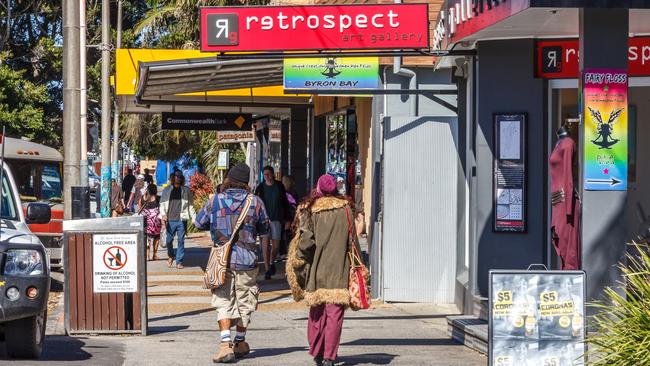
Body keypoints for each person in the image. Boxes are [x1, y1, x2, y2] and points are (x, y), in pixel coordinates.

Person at [194, 163, 269, 364]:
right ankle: (240, 341)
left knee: (223, 300)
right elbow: (265, 229)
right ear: (246, 183)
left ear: (228, 179)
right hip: (247, 260)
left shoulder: (216, 201)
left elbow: (198, 223)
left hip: (222, 260)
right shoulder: (256, 202)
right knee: (246, 299)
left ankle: (225, 345)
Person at [286, 174, 359, 366]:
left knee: (316, 314)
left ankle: (317, 351)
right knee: (335, 315)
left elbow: (306, 243)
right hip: (339, 271)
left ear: (318, 189)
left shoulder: (310, 211)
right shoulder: (346, 210)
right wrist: (359, 266)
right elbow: (353, 242)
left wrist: (298, 261)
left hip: (316, 272)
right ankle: (329, 357)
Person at [254, 166, 291, 280]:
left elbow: (285, 203)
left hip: (277, 219)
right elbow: (256, 205)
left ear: (273, 174)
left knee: (275, 246)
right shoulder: (260, 188)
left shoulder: (279, 186)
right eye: (265, 175)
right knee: (265, 246)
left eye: (269, 174)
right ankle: (267, 269)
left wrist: (288, 219)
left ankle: (271, 262)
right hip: (264, 221)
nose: (267, 177)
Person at [159, 170, 195, 269]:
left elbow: (191, 205)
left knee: (181, 241)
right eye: (176, 176)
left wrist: (194, 219)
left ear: (182, 178)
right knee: (169, 241)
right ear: (172, 178)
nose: (178, 178)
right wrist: (163, 215)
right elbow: (162, 204)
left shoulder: (186, 190)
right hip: (170, 219)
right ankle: (171, 255)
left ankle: (179, 261)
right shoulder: (167, 190)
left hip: (182, 219)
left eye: (179, 177)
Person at [140, 184, 161, 261]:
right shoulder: (158, 198)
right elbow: (161, 209)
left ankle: (147, 255)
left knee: (147, 238)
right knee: (156, 237)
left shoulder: (143, 198)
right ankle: (154, 255)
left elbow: (139, 209)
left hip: (146, 221)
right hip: (156, 222)